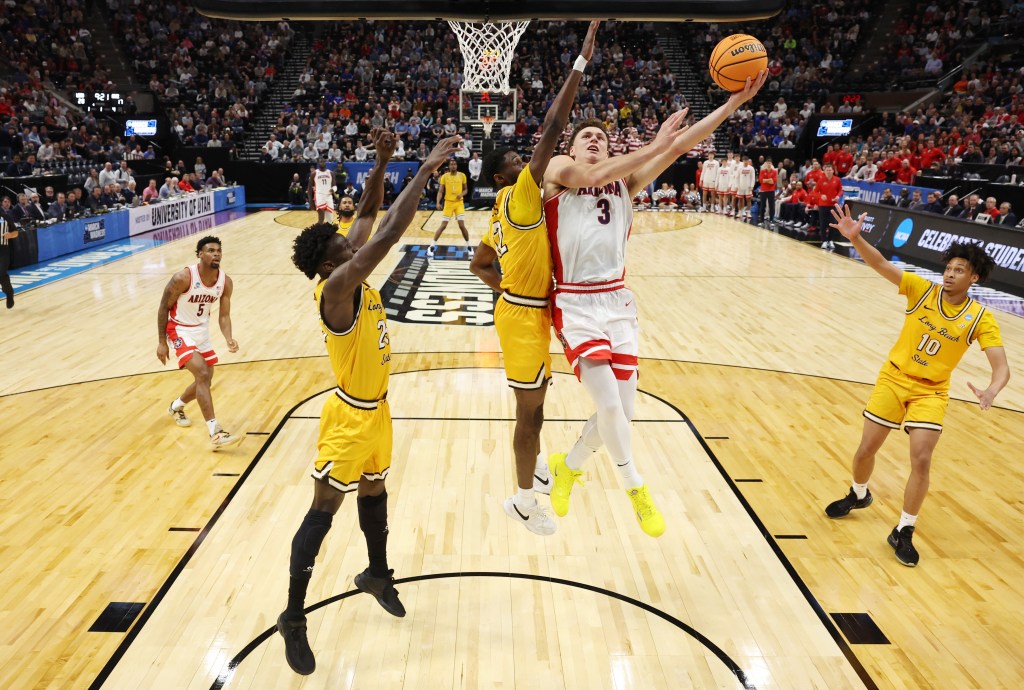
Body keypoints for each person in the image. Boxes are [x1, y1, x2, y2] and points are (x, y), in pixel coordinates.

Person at [543, 72, 768, 537]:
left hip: (618, 302)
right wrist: (657, 143)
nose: (593, 142)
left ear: (611, 148)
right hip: (575, 303)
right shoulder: (558, 172)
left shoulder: (625, 185)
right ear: (573, 144)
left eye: (601, 139)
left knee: (622, 410)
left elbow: (678, 147)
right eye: (586, 136)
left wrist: (730, 106)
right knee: (606, 401)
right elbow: (595, 173)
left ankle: (569, 465)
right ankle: (635, 486)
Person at [276, 132, 461, 676]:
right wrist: (423, 170)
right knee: (322, 513)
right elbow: (389, 232)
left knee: (376, 489)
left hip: (378, 408)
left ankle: (377, 574)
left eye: (347, 241)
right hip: (347, 416)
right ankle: (293, 615)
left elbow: (370, 211)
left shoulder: (342, 259)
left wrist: (381, 163)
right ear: (327, 264)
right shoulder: (336, 289)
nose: (351, 244)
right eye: (342, 246)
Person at [823, 204, 1010, 567]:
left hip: (932, 391)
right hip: (894, 378)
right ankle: (859, 493)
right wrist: (857, 238)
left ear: (975, 279)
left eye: (960, 270)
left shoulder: (980, 318)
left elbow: (1001, 366)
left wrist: (992, 390)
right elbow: (880, 264)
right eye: (949, 267)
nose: (950, 274)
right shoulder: (922, 290)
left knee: (921, 459)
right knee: (866, 450)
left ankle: (904, 529)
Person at [469, 20, 599, 537]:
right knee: (529, 412)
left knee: (539, 400)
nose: (531, 162)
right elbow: (553, 125)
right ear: (506, 176)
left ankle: (537, 469)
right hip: (523, 318)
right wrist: (580, 64)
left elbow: (479, 263)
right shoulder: (522, 193)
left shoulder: (502, 205)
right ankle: (522, 500)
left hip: (525, 309)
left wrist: (509, 292)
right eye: (519, 162)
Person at [156, 236, 241, 450]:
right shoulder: (183, 277)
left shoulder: (225, 281)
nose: (216, 254)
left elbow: (223, 316)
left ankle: (176, 407)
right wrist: (161, 342)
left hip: (201, 332)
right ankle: (215, 431)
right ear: (200, 254)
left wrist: (228, 337)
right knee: (202, 374)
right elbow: (163, 307)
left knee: (206, 378)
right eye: (211, 250)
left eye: (219, 250)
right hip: (179, 329)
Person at [427, 159, 470, 258]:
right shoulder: (444, 177)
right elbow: (441, 191)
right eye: (451, 164)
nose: (453, 166)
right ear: (449, 166)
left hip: (459, 203)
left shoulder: (462, 175)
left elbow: (466, 189)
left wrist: (461, 194)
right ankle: (432, 246)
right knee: (443, 226)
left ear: (457, 166)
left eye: (455, 164)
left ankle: (468, 246)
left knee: (461, 225)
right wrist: (438, 202)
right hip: (448, 203)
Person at [1, 199, 18, 309]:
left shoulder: (5, 217)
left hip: (3, 249)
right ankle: (9, 292)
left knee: (0, 272)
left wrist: (10, 235)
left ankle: (9, 293)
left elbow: (16, 232)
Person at [757, 160, 778, 225]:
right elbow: (761, 180)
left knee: (772, 206)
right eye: (767, 163)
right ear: (765, 164)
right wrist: (769, 180)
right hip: (763, 190)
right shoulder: (762, 171)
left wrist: (765, 180)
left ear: (771, 164)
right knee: (762, 206)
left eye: (769, 163)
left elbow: (773, 181)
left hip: (771, 190)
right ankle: (761, 220)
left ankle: (771, 220)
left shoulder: (774, 172)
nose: (768, 165)